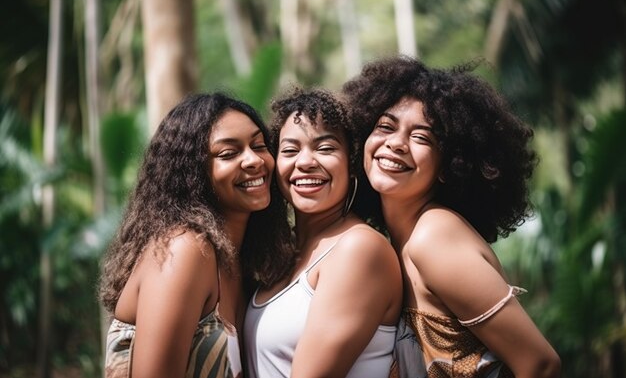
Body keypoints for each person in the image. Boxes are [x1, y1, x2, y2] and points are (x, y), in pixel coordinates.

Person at [342, 56, 561, 378]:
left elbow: (541, 364)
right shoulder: (397, 243)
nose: (396, 144)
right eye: (386, 127)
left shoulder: (433, 236)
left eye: (421, 138)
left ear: (449, 166)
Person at [99, 92, 294, 378]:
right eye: (229, 153)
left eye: (259, 145)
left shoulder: (246, 261)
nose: (254, 160)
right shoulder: (186, 249)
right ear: (193, 171)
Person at [244, 88, 403, 378]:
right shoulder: (283, 252)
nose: (305, 162)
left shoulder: (359, 249)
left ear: (352, 163)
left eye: (325, 148)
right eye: (290, 150)